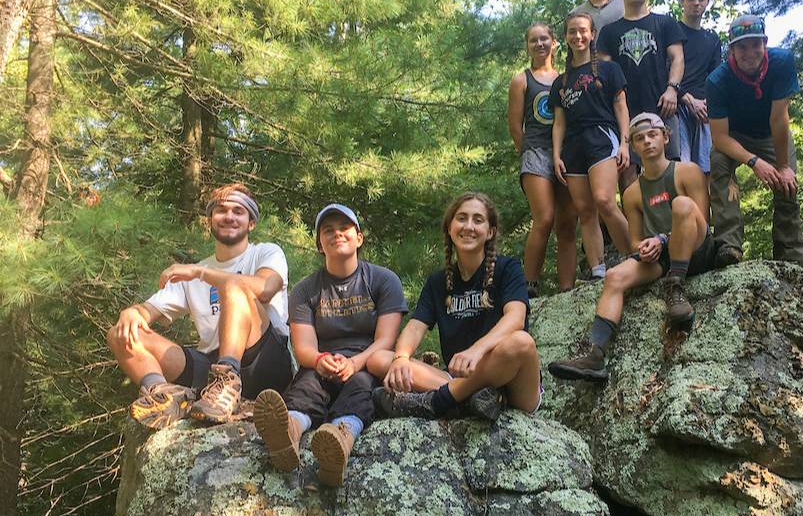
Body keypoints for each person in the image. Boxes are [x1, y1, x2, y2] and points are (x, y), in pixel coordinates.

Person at [107, 183, 293, 429]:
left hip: (265, 361)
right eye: (221, 210)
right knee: (121, 334)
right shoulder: (192, 274)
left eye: (238, 211)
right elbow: (148, 310)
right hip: (210, 369)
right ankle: (164, 396)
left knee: (235, 286)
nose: (229, 216)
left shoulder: (266, 253)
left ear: (251, 223)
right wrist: (134, 312)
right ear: (209, 220)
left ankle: (230, 382)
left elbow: (265, 288)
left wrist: (200, 273)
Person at [547, 113, 715, 381]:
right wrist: (646, 247)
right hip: (664, 256)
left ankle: (676, 289)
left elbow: (701, 220)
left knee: (681, 205)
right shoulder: (632, 193)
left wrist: (662, 238)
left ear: (665, 137)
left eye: (652, 135)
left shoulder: (687, 171)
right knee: (614, 276)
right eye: (639, 138)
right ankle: (595, 354)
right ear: (633, 147)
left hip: (696, 246)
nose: (647, 142)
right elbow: (635, 241)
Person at [253, 204, 407, 487]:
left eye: (344, 228)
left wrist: (355, 363)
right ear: (319, 244)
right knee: (307, 384)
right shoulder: (304, 290)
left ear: (359, 238)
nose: (337, 234)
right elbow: (304, 348)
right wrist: (321, 359)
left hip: (367, 362)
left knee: (361, 385)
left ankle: (339, 440)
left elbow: (386, 340)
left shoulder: (384, 280)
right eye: (328, 231)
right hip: (322, 363)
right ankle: (288, 432)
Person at [368, 192, 541, 421]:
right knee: (379, 359)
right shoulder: (438, 282)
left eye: (478, 220)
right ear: (449, 227)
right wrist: (400, 357)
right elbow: (415, 328)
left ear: (490, 232)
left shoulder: (508, 268)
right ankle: (470, 400)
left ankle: (437, 402)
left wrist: (476, 351)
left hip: (512, 382)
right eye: (461, 218)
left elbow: (516, 318)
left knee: (521, 342)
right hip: (457, 378)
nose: (468, 226)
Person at [707, 14, 803, 266]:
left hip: (771, 134)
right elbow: (719, 137)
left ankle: (790, 254)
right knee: (718, 165)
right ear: (731, 50)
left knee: (788, 181)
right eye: (741, 46)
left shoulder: (781, 62)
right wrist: (754, 162)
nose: (749, 53)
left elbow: (779, 119)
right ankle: (728, 244)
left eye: (755, 45)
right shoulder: (718, 80)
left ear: (765, 42)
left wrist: (782, 167)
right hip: (734, 136)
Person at [551, 12, 632, 272]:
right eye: (572, 31)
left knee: (605, 201)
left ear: (592, 34)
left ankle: (634, 257)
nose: (578, 36)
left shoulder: (610, 69)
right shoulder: (560, 82)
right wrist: (556, 155)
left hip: (602, 136)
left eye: (583, 31)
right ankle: (598, 269)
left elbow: (621, 106)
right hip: (573, 146)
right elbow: (559, 122)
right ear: (565, 37)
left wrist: (625, 143)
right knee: (585, 211)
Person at [507, 22, 578, 296]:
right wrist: (527, 150)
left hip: (566, 154)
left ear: (554, 43)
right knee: (545, 217)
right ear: (527, 46)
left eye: (544, 39)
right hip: (536, 152)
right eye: (533, 40)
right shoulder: (521, 80)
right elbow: (515, 127)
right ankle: (529, 285)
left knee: (567, 222)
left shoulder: (565, 77)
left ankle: (567, 287)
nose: (539, 44)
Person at [597, 0, 686, 188]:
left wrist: (672, 89)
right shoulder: (609, 32)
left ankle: (673, 221)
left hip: (662, 105)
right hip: (626, 111)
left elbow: (677, 58)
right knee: (628, 175)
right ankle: (635, 223)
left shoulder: (665, 23)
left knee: (671, 171)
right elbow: (604, 74)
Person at [676, 0, 722, 176]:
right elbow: (661, 72)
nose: (696, 3)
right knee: (681, 168)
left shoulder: (711, 39)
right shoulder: (671, 31)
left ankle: (703, 209)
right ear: (682, 1)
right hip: (676, 106)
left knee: (706, 169)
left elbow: (715, 77)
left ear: (707, 1)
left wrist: (707, 104)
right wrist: (687, 99)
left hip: (703, 109)